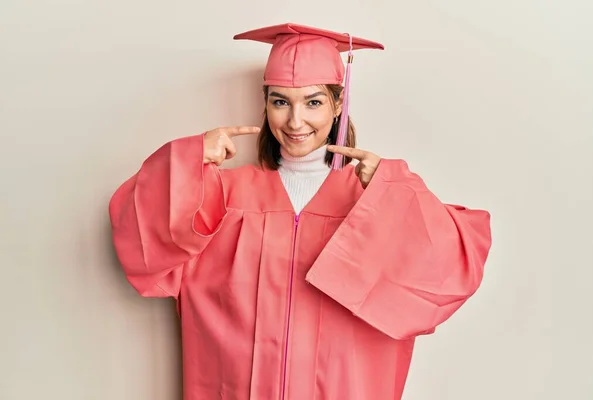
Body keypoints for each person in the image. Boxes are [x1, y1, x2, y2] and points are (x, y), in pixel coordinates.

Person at [109, 23, 492, 400]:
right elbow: (139, 232)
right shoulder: (223, 194)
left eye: (313, 102)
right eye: (280, 101)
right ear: (266, 103)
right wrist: (188, 161)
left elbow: (451, 264)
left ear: (338, 103)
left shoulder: (371, 198)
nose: (295, 121)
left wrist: (395, 191)